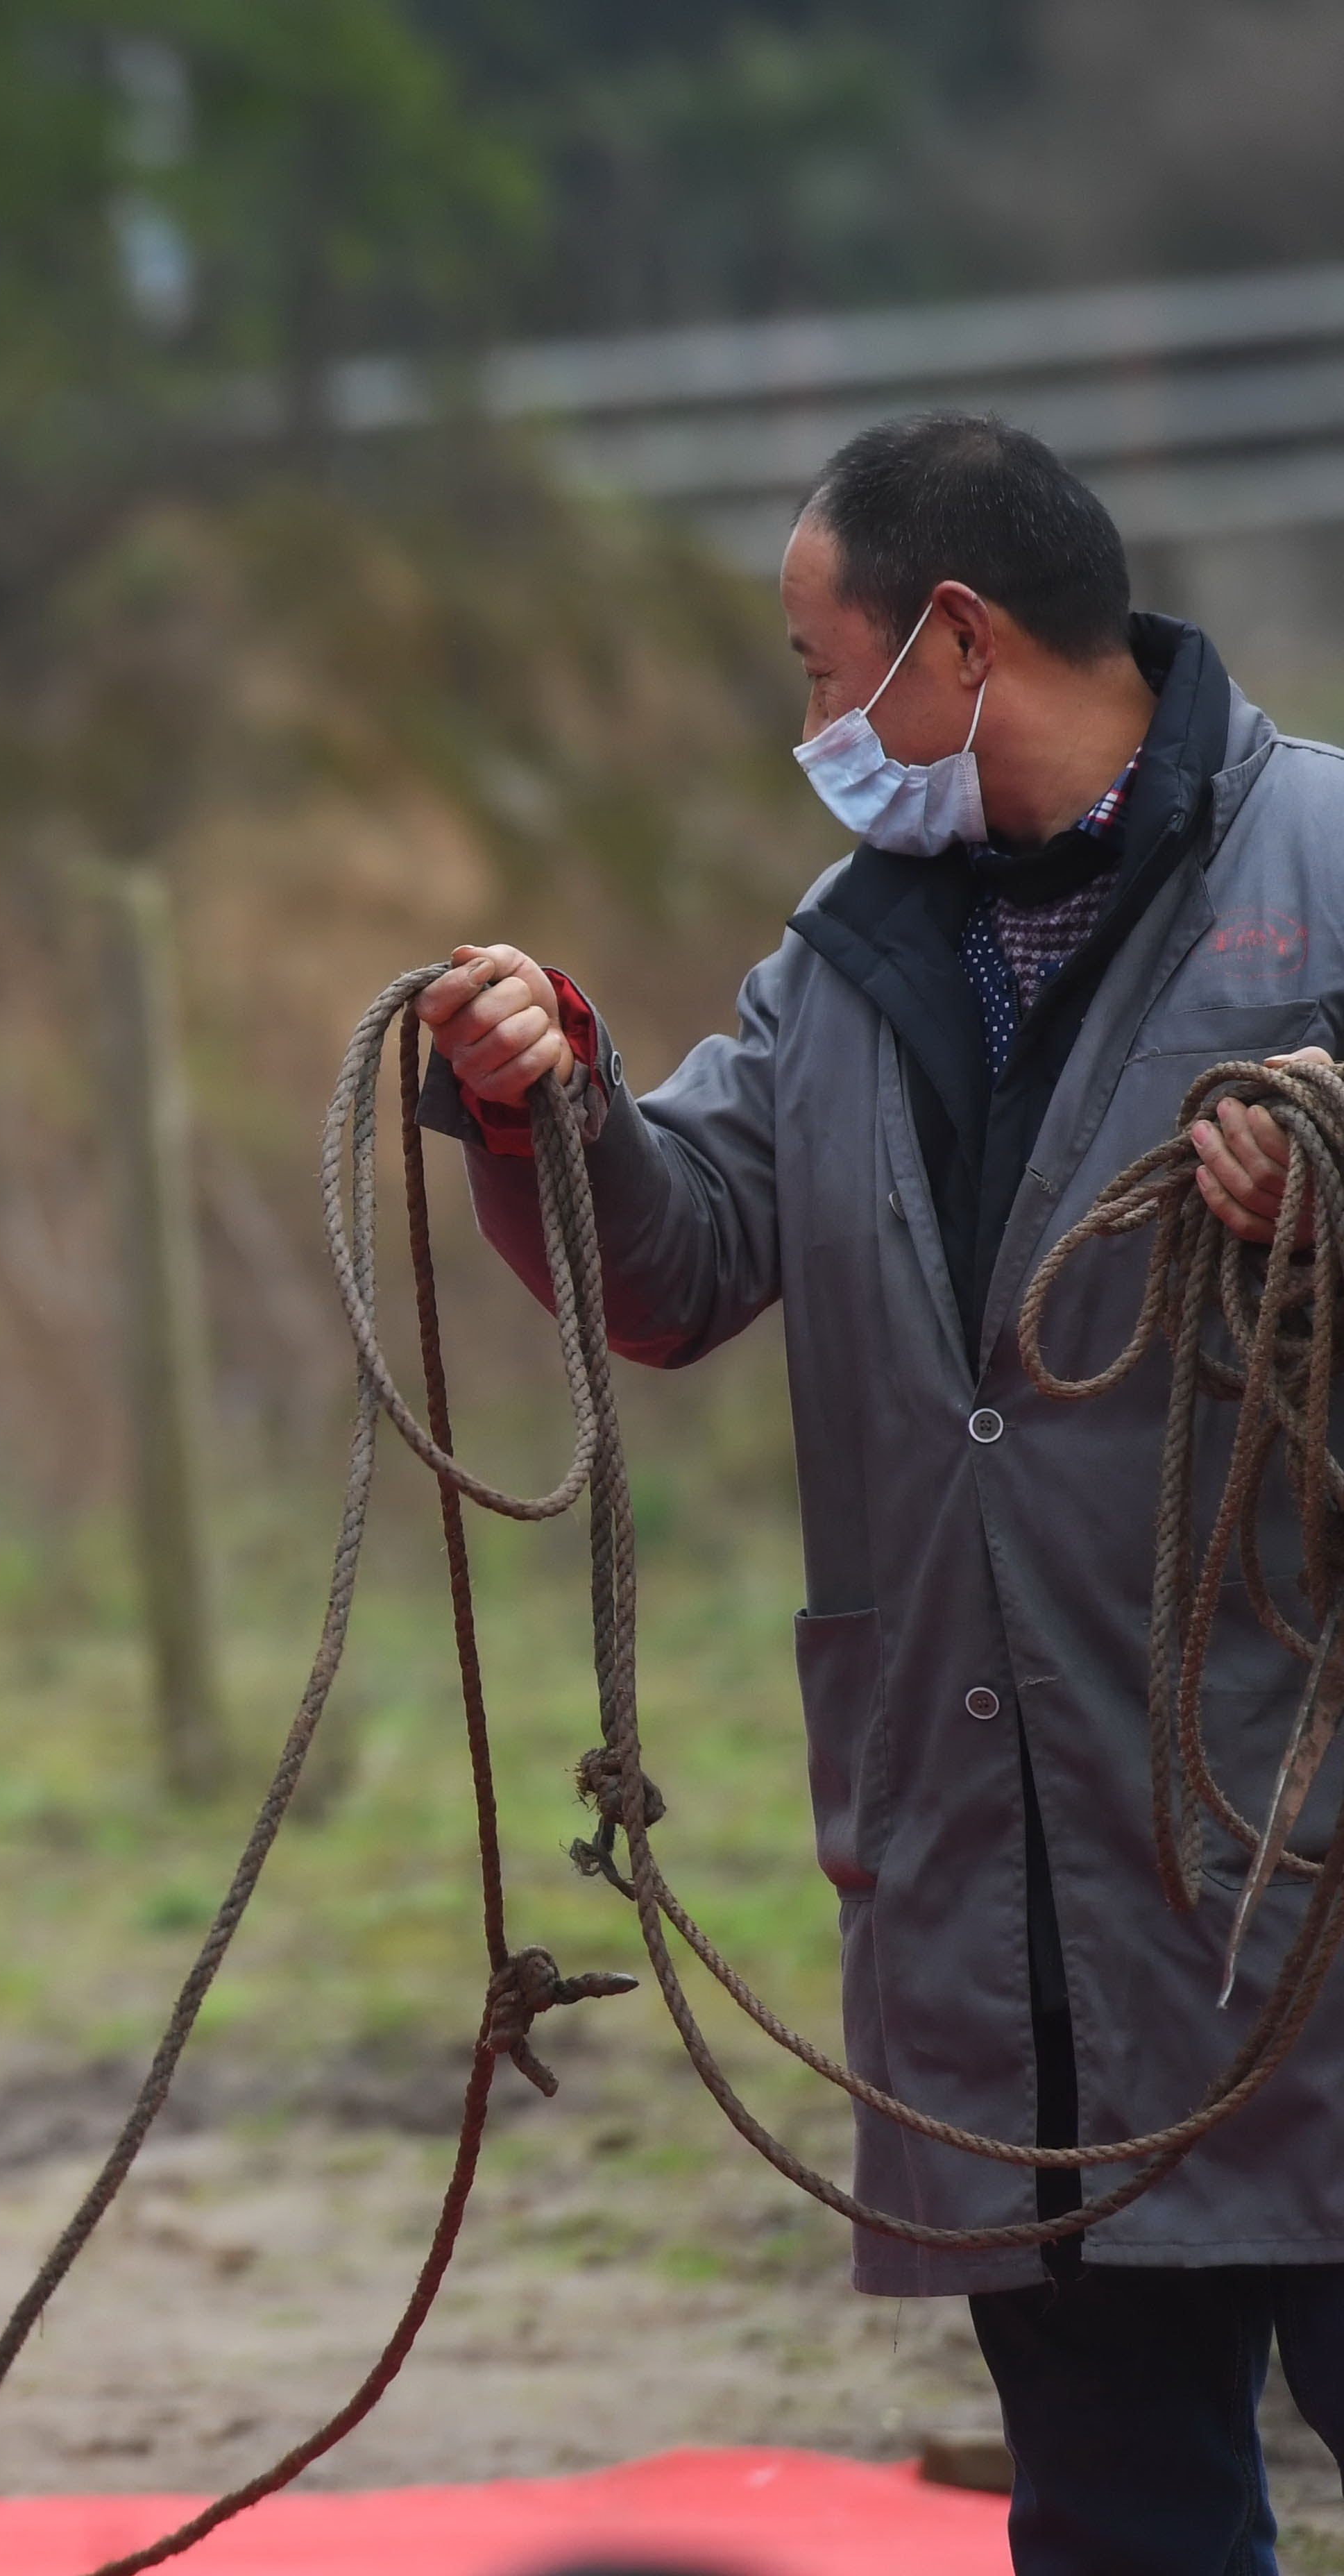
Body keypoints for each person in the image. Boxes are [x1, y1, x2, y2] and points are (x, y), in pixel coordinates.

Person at [418, 410, 1344, 2575]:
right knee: (1113, 2511)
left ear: (951, 642)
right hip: (997, 1888)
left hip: (1292, 1862)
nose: (811, 720)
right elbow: (669, 1265)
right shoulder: (845, 955)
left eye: (817, 667)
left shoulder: (1320, 860)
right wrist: (536, 1103)